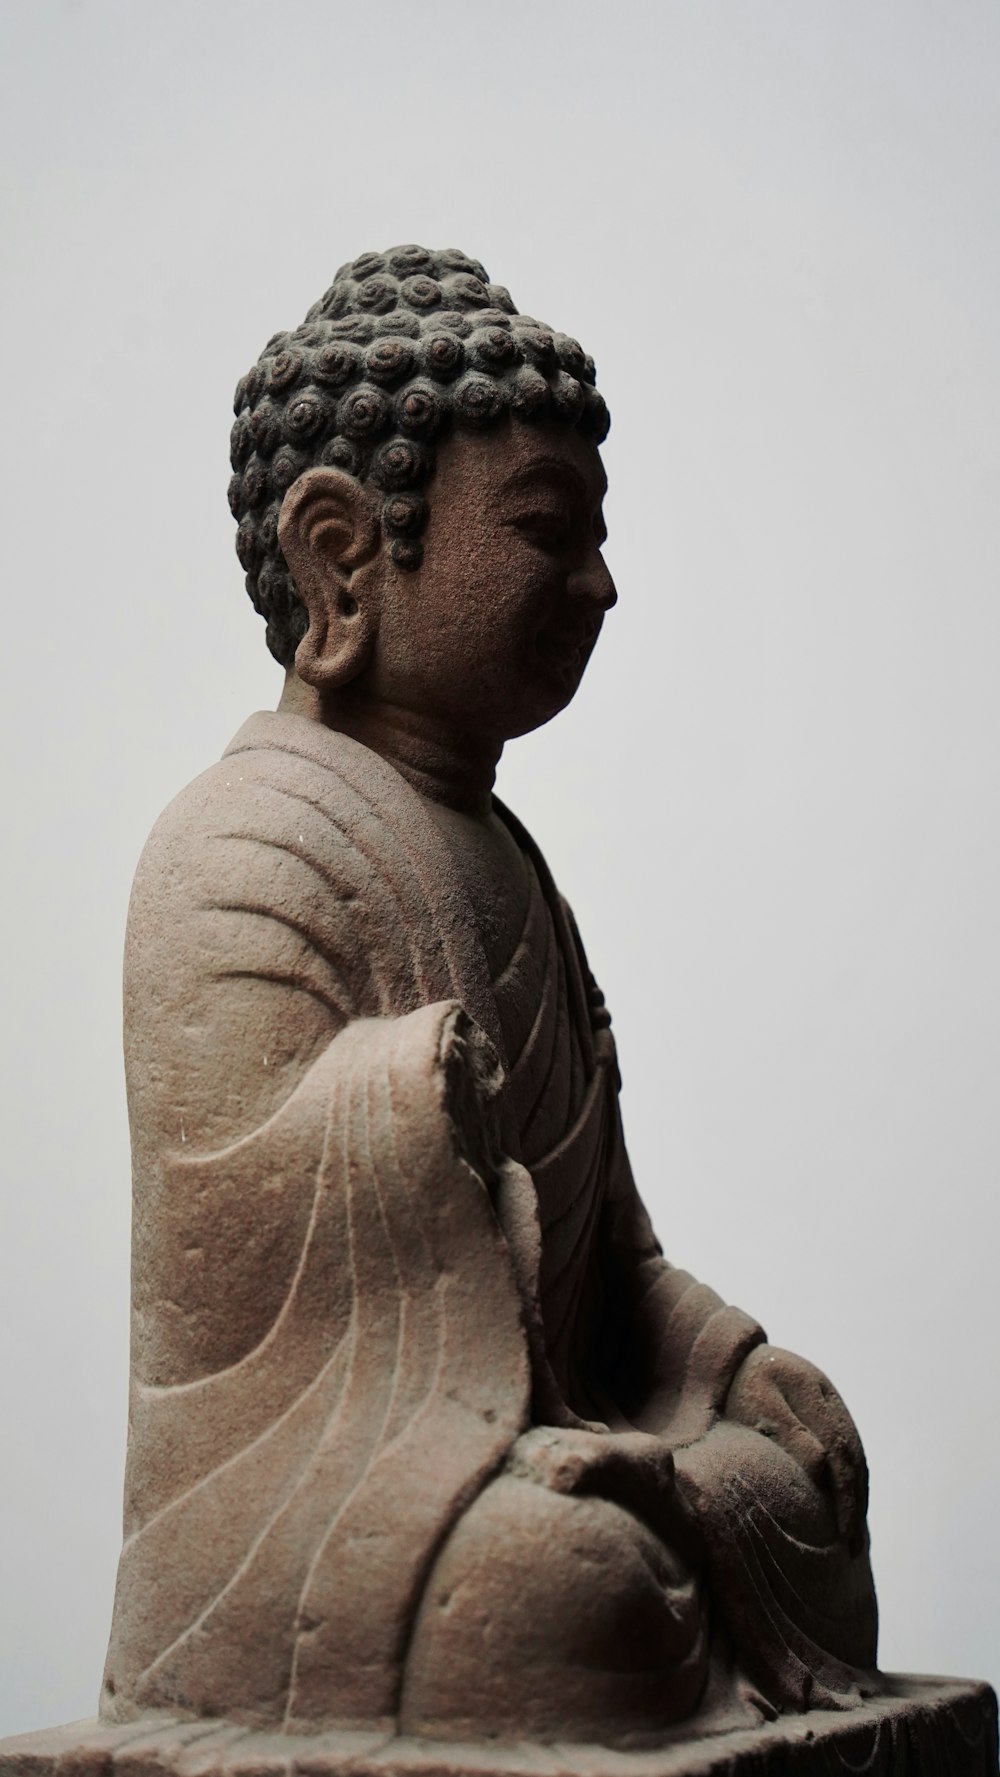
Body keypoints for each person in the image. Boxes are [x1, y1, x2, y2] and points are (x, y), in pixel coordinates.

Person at [101, 247, 878, 1743]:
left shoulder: (516, 867)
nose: (598, 583)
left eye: (597, 537)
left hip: (530, 1439)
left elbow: (612, 1257)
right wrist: (403, 1104)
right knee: (577, 1599)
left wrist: (723, 1365)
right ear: (341, 555)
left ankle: (634, 1510)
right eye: (545, 532)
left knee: (810, 1505)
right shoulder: (240, 847)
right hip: (312, 1499)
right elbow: (237, 1286)